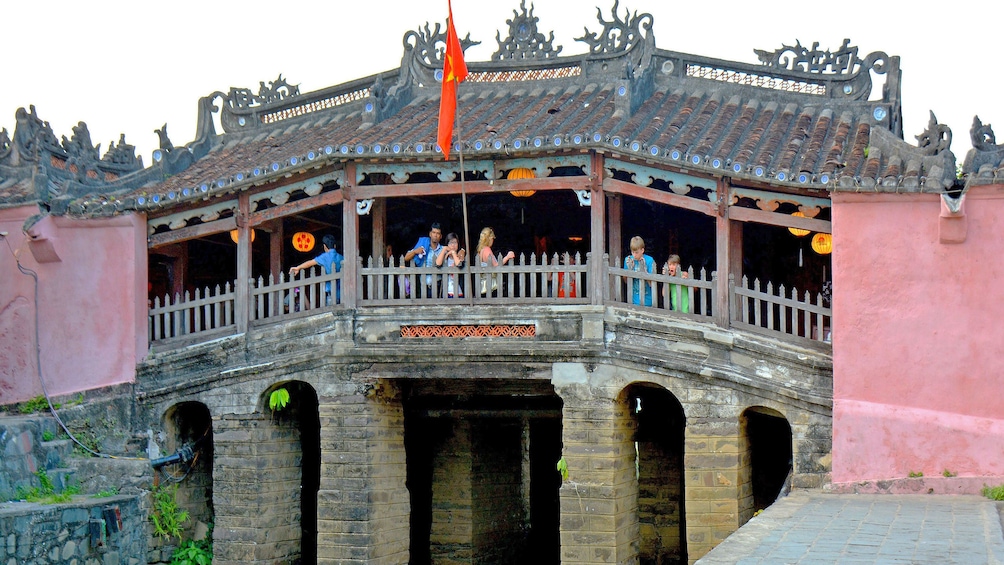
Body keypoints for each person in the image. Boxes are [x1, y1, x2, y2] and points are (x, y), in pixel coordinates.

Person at [289, 234, 343, 305]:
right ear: (335, 246)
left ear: (324, 246)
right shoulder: (341, 257)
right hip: (342, 292)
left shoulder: (324, 257)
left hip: (331, 293)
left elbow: (310, 263)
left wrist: (298, 267)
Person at [404, 223, 444, 297]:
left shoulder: (443, 249)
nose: (435, 235)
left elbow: (455, 253)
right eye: (434, 232)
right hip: (423, 286)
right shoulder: (423, 246)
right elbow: (406, 258)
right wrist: (415, 251)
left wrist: (462, 250)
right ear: (430, 234)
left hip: (438, 285)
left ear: (441, 236)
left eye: (438, 233)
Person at [476, 227, 515, 296]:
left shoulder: (480, 250)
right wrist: (507, 257)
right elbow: (496, 266)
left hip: (484, 284)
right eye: (492, 239)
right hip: (491, 284)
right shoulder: (487, 249)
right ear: (489, 239)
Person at [624, 236, 655, 306]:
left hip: (648, 301)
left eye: (636, 252)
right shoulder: (628, 260)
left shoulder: (649, 260)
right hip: (633, 300)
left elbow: (652, 284)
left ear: (642, 250)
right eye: (632, 252)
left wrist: (645, 272)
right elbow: (626, 281)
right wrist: (629, 270)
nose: (634, 255)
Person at [436, 232, 467, 298]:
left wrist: (453, 252)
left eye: (455, 242)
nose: (453, 245)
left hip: (458, 292)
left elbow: (459, 264)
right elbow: (438, 264)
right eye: (450, 243)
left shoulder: (460, 256)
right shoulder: (445, 257)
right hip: (446, 293)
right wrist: (444, 249)